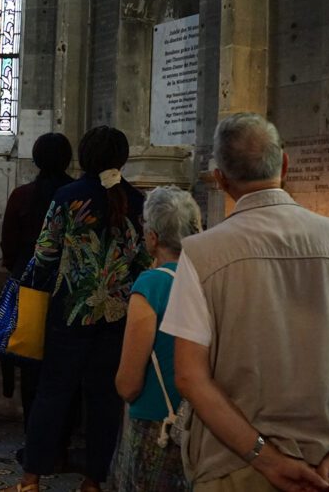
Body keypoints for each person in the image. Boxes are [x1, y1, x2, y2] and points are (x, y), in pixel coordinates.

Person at [162, 112, 329, 492]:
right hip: (325, 469)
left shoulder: (202, 253)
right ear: (285, 164)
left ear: (220, 179)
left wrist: (266, 459)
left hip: (233, 468)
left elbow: (190, 376)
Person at [4, 126, 150, 492]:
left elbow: (44, 255)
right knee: (104, 401)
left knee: (52, 395)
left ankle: (31, 479)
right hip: (117, 317)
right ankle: (92, 481)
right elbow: (144, 260)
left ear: (83, 157)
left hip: (69, 314)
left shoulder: (68, 196)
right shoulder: (138, 201)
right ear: (123, 158)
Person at [111, 186, 201, 492]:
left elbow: (128, 383)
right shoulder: (209, 278)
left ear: (152, 238)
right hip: (202, 425)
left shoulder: (150, 285)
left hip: (156, 426)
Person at [0, 132, 74, 435]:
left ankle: (34, 438)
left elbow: (9, 245)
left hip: (28, 284)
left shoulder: (22, 195)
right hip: (68, 288)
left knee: (31, 366)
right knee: (64, 367)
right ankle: (62, 440)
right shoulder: (75, 193)